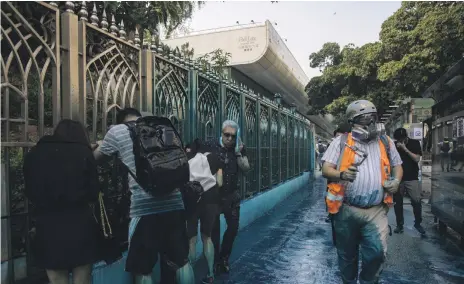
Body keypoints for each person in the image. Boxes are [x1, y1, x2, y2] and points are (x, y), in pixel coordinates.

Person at [93, 108, 194, 284]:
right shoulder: (162, 127)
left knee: (143, 268)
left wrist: (100, 144)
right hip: (175, 204)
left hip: (143, 209)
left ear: (120, 120)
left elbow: (96, 158)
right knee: (181, 261)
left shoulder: (117, 131)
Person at [322, 100, 403, 284]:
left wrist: (396, 181)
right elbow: (326, 169)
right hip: (346, 210)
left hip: (376, 210)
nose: (369, 123)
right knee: (346, 256)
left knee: (376, 254)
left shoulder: (385, 141)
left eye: (372, 118)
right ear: (352, 123)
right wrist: (341, 174)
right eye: (363, 119)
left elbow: (398, 166)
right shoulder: (340, 142)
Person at [23, 119, 101, 284]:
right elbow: (94, 192)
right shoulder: (84, 153)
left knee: (57, 278)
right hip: (80, 221)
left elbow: (30, 192)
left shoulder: (35, 154)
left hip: (48, 223)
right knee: (82, 277)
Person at [204, 120, 250, 275]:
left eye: (233, 136)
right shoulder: (210, 145)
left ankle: (224, 258)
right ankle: (216, 260)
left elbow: (246, 169)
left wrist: (238, 152)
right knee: (214, 231)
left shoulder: (239, 149)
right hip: (214, 196)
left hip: (232, 194)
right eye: (227, 135)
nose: (229, 139)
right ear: (221, 133)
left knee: (233, 227)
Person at [185, 139, 223, 284]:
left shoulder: (188, 158)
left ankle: (190, 276)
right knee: (207, 238)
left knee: (192, 239)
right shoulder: (214, 158)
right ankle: (210, 274)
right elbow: (219, 182)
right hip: (211, 200)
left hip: (193, 200)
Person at [392, 128, 425, 235]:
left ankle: (418, 223)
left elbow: (416, 159)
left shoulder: (414, 143)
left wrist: (405, 149)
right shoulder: (393, 145)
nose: (400, 142)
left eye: (402, 139)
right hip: (398, 178)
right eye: (398, 140)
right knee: (398, 202)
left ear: (406, 137)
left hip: (412, 177)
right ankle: (399, 225)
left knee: (416, 201)